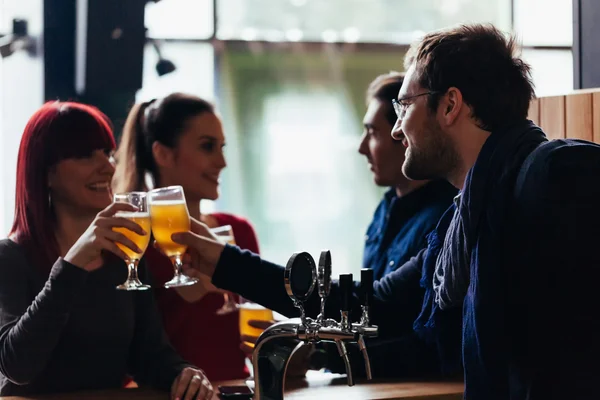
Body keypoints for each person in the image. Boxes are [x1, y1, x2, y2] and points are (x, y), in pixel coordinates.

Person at [167, 23, 600, 399]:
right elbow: (369, 305)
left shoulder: (554, 172)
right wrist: (223, 261)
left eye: (404, 107)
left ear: (449, 105)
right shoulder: (461, 223)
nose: (396, 128)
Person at [0, 101, 212, 399]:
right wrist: (72, 264)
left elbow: (150, 357)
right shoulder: (9, 258)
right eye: (87, 155)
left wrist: (184, 374)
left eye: (108, 153)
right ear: (46, 173)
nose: (109, 167)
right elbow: (16, 365)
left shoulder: (123, 258)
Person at [113, 93, 260, 382]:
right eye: (207, 147)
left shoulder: (239, 230)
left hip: (237, 391)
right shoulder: (135, 240)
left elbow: (254, 331)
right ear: (163, 154)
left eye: (222, 147)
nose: (222, 162)